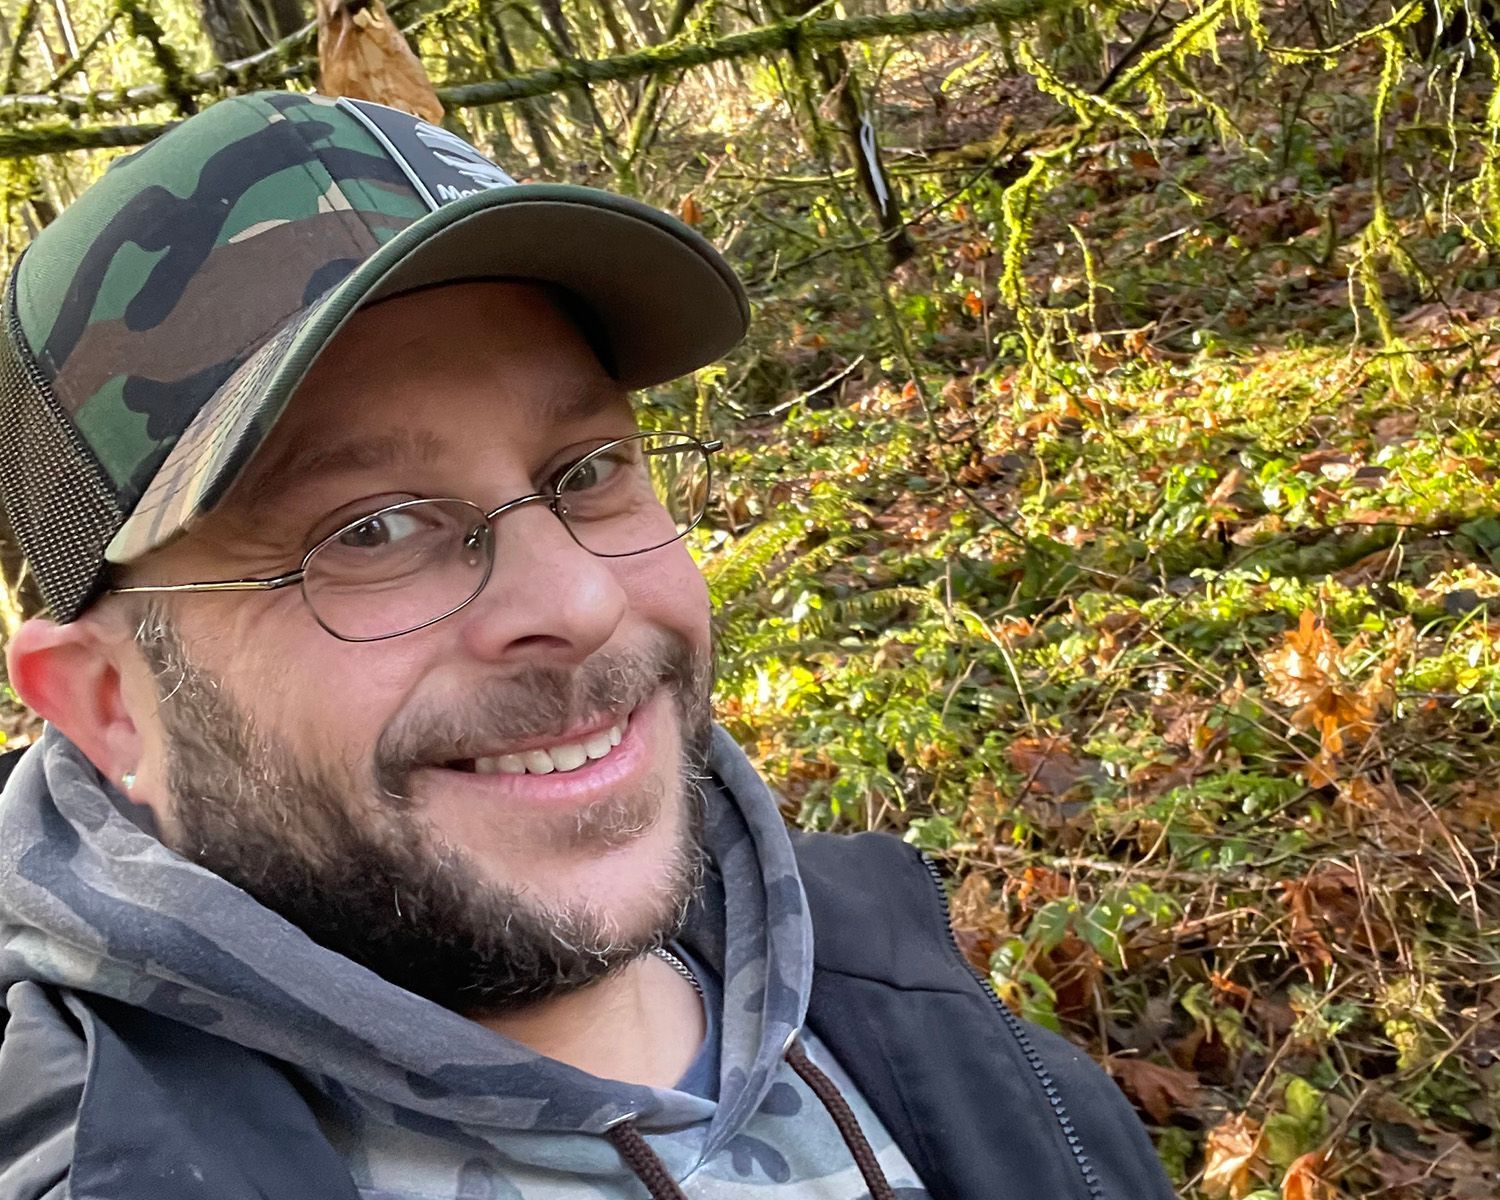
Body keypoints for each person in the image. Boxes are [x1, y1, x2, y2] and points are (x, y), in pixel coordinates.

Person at [0, 92, 1175, 1200]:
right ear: (107, 704)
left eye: (587, 471)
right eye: (371, 531)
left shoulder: (922, 1006)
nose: (580, 599)